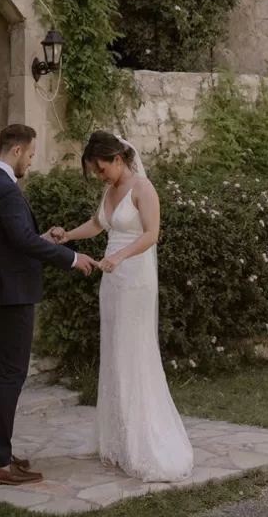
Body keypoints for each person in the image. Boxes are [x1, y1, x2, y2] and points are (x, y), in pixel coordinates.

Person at [49, 130, 193, 483]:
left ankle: (141, 440)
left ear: (117, 159)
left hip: (135, 276)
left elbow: (151, 234)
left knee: (134, 352)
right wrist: (67, 236)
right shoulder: (109, 191)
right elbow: (99, 224)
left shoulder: (143, 188)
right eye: (96, 172)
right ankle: (116, 438)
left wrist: (120, 256)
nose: (100, 176)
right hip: (112, 279)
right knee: (114, 351)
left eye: (101, 169)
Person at [0, 123, 97, 487]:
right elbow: (22, 244)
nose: (30, 161)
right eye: (29, 154)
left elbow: (14, 240)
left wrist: (40, 238)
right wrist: (71, 257)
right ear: (16, 151)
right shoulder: (7, 191)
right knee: (10, 374)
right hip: (14, 294)